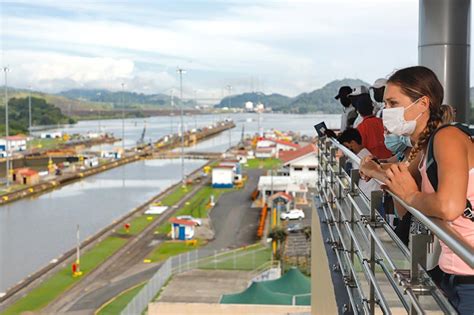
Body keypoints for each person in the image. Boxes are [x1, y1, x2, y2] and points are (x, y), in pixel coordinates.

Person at [360, 66, 474, 314]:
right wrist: (371, 169)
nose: (385, 111)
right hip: (455, 270)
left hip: (469, 273)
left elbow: (449, 207)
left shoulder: (448, 138)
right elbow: (399, 178)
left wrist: (410, 195)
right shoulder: (424, 147)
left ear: (422, 103)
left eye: (392, 103)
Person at [338, 128, 380, 201]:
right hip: (366, 196)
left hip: (368, 198)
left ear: (353, 143)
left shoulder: (362, 158)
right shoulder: (360, 155)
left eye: (346, 146)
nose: (345, 150)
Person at [355, 93, 392, 159]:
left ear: (358, 111)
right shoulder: (383, 122)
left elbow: (360, 149)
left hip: (373, 163)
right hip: (389, 161)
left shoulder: (360, 128)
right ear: (372, 108)